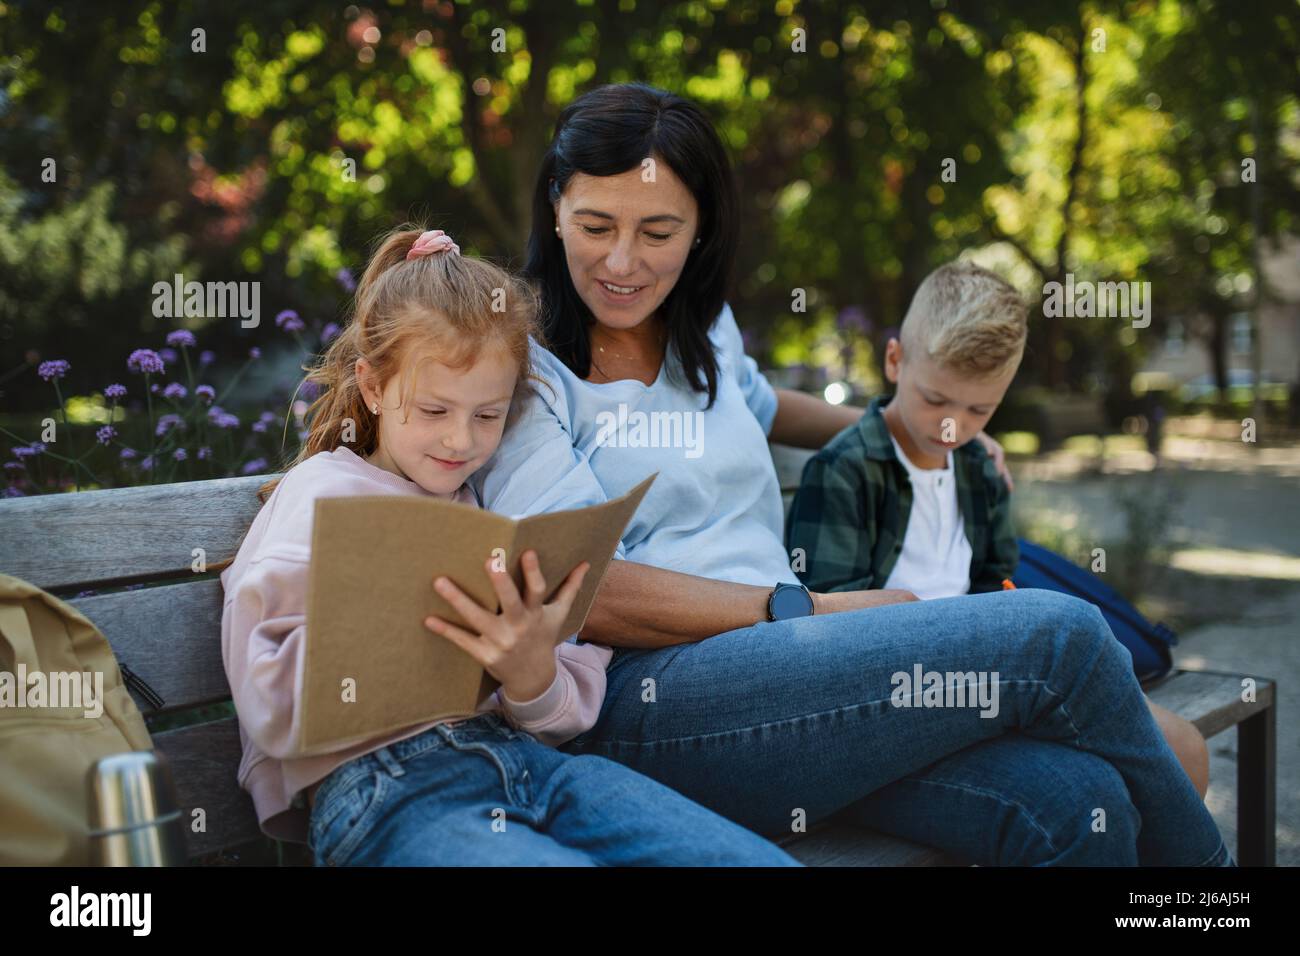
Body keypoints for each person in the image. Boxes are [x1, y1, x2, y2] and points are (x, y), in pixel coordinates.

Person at [440, 82, 1234, 866]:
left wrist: (915, 429)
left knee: (1077, 809)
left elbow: (764, 406)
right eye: (595, 225)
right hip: (648, 708)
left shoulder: (701, 330)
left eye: (657, 231)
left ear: (701, 229)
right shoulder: (519, 365)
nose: (623, 261)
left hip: (798, 698)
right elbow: (583, 583)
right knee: (1059, 635)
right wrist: (805, 608)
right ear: (554, 207)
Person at [219, 225, 799, 866]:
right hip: (388, 788)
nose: (461, 442)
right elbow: (271, 705)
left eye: (487, 415)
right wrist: (402, 646)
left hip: (534, 769)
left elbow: (563, 715)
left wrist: (528, 676)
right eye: (435, 411)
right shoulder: (319, 494)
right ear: (374, 387)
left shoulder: (486, 514)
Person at [786, 260, 1209, 799]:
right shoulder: (845, 472)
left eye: (978, 410)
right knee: (1097, 782)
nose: (952, 426)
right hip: (900, 689)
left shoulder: (978, 467)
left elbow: (995, 580)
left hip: (990, 673)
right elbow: (830, 634)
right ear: (895, 361)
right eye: (935, 400)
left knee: (1183, 747)